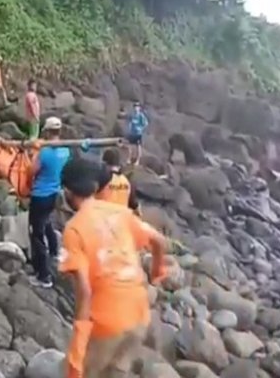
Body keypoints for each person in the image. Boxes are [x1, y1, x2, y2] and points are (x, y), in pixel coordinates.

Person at [59, 157, 168, 378]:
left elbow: (84, 291)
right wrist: (158, 272)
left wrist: (77, 347)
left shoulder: (74, 229)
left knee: (85, 371)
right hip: (139, 315)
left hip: (107, 321)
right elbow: (158, 241)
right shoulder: (121, 213)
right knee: (117, 371)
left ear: (67, 191)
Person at [28, 116, 71, 288]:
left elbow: (31, 171)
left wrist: (34, 155)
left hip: (40, 195)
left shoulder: (44, 153)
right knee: (46, 223)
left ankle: (43, 275)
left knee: (36, 234)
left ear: (47, 131)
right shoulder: (66, 151)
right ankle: (54, 251)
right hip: (54, 193)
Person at [96, 147, 140, 214]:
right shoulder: (127, 181)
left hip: (103, 220)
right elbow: (135, 206)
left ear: (104, 163)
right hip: (121, 221)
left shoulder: (101, 179)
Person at [126, 101, 149, 165]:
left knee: (138, 148)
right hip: (132, 133)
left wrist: (140, 128)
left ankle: (137, 161)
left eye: (137, 106)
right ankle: (129, 159)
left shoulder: (141, 116)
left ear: (139, 108)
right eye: (135, 106)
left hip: (138, 134)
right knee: (130, 147)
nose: (136, 108)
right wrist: (129, 129)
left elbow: (146, 123)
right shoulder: (133, 115)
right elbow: (130, 123)